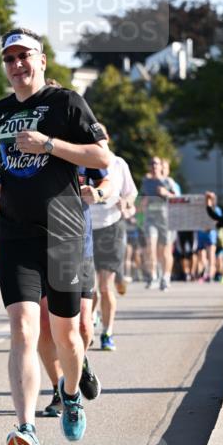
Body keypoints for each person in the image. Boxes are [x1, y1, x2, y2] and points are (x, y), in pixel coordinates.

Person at [0, 27, 110, 445]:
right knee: (21, 331)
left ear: (41, 60)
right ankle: (26, 427)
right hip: (15, 232)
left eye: (24, 57)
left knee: (68, 336)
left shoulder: (66, 103)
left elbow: (102, 158)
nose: (17, 65)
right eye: (9, 59)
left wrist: (49, 145)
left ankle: (69, 395)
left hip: (64, 230)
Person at [39, 160, 112, 417]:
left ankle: (79, 360)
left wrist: (99, 192)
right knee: (45, 326)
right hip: (38, 245)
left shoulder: (80, 147)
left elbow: (107, 181)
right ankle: (59, 389)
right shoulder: (30, 146)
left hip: (79, 246)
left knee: (82, 327)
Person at [90, 132, 138, 351]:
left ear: (107, 139)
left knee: (104, 286)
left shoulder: (118, 163)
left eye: (99, 139)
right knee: (88, 287)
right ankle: (88, 323)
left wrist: (125, 203)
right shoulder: (81, 161)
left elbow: (131, 193)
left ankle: (107, 333)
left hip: (112, 227)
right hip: (87, 228)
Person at [140, 157, 173, 289]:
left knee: (165, 250)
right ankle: (153, 276)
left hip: (165, 220)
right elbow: (140, 199)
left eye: (156, 163)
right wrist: (142, 203)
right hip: (150, 219)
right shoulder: (146, 182)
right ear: (149, 166)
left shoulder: (168, 181)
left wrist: (166, 193)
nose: (154, 166)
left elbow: (177, 199)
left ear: (161, 166)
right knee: (150, 247)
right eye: (152, 163)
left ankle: (166, 276)